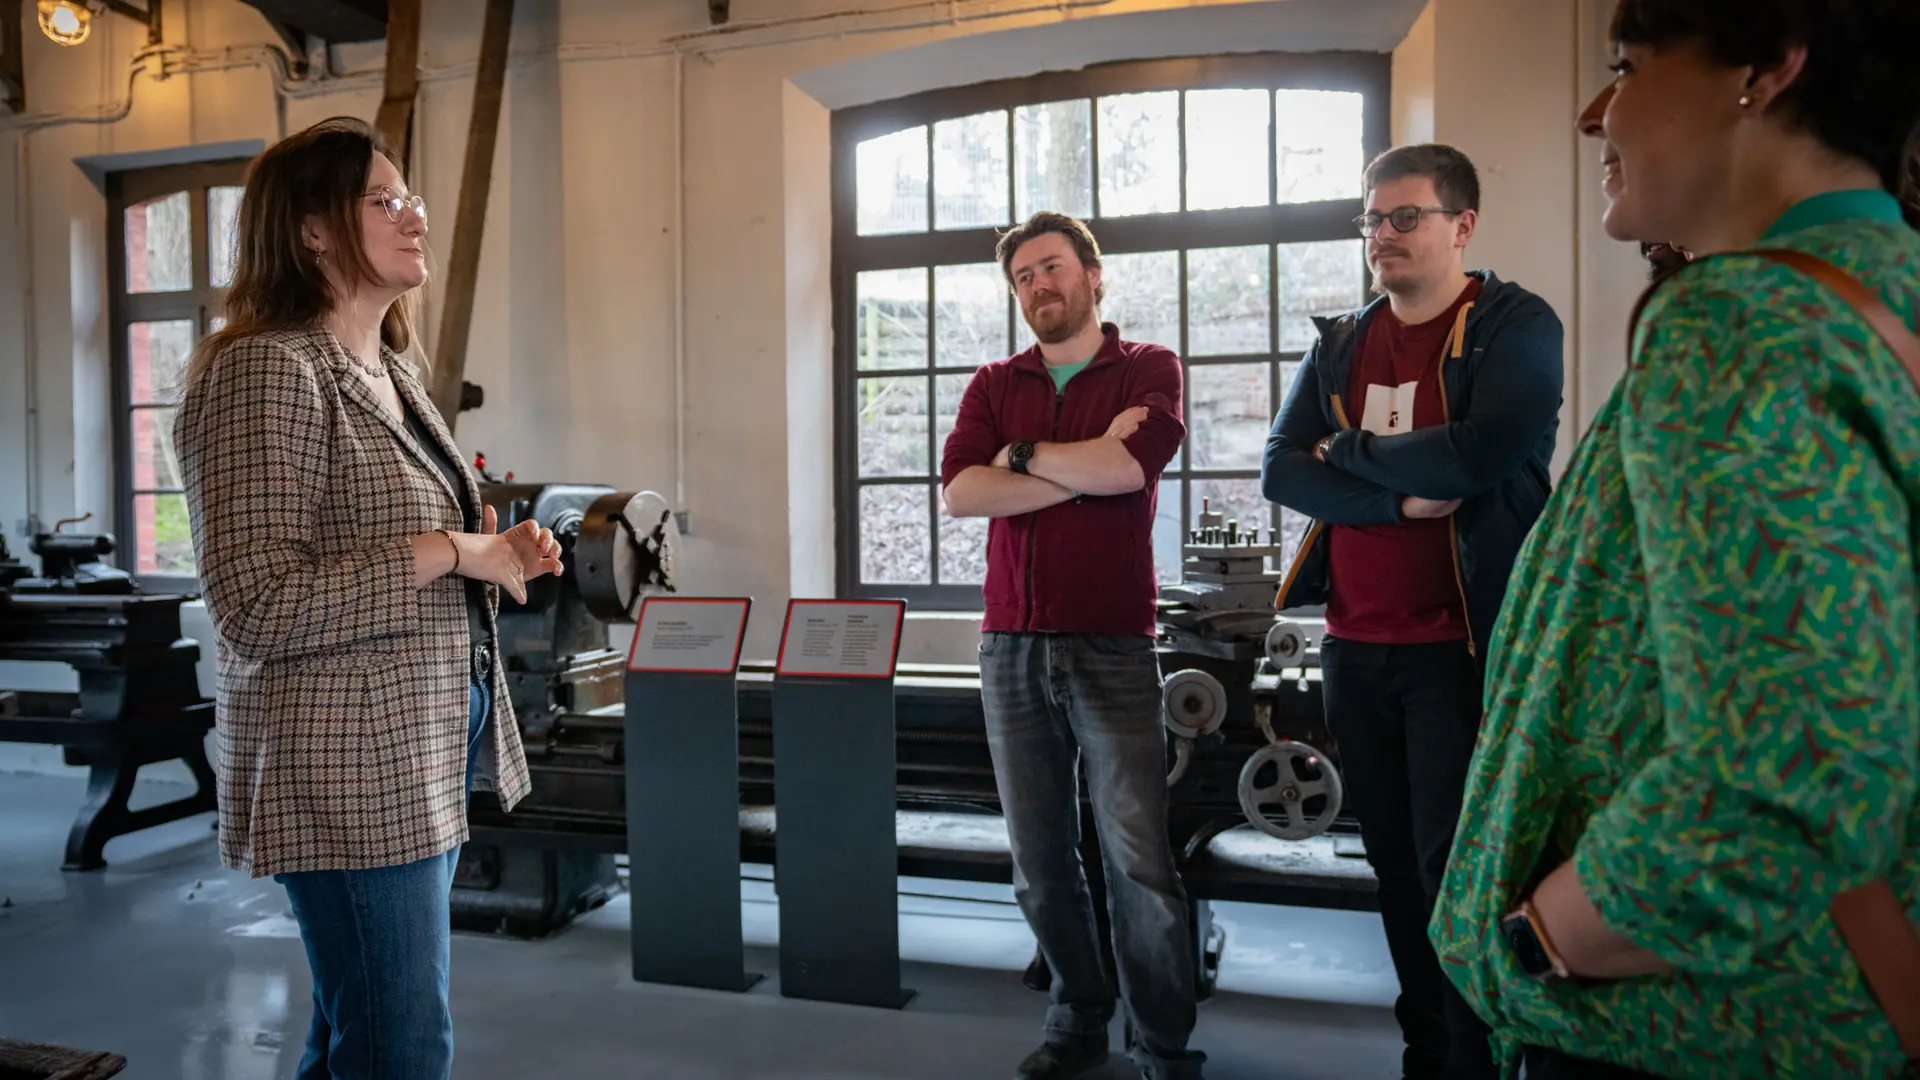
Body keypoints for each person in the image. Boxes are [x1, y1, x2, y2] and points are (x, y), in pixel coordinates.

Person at [1429, 1, 1920, 1076]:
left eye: (1631, 65)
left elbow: (1788, 770)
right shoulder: (1887, 293)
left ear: (1769, 69)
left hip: (1708, 1020)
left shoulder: (1744, 323)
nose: (1597, 113)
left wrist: (1547, 936)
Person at [173, 117, 563, 1080]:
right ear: (311, 230)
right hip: (345, 760)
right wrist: (445, 547)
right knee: (400, 1044)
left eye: (412, 197)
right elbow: (256, 605)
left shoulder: (388, 369)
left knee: (359, 1028)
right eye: (384, 202)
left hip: (416, 742)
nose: (415, 217)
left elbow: (410, 553)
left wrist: (494, 553)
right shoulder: (267, 367)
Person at [1260, 144, 1565, 1080]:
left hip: (1464, 652)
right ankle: (1426, 1055)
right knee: (1392, 869)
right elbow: (1279, 469)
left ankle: (1479, 1058)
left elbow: (1486, 453)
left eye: (1404, 217)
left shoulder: (1514, 324)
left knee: (1458, 872)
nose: (1381, 236)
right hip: (1358, 648)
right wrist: (1394, 498)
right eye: (1369, 219)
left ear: (1461, 225)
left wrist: (1343, 455)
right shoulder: (1341, 343)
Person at [941, 211, 1202, 1080]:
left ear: (1093, 274)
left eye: (1052, 267)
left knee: (1138, 858)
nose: (1039, 286)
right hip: (1009, 643)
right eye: (1023, 277)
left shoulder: (1150, 368)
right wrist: (1071, 464)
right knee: (1038, 858)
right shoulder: (992, 382)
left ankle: (1163, 1043)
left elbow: (1130, 470)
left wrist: (1024, 463)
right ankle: (1078, 1014)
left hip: (1113, 643)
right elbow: (963, 494)